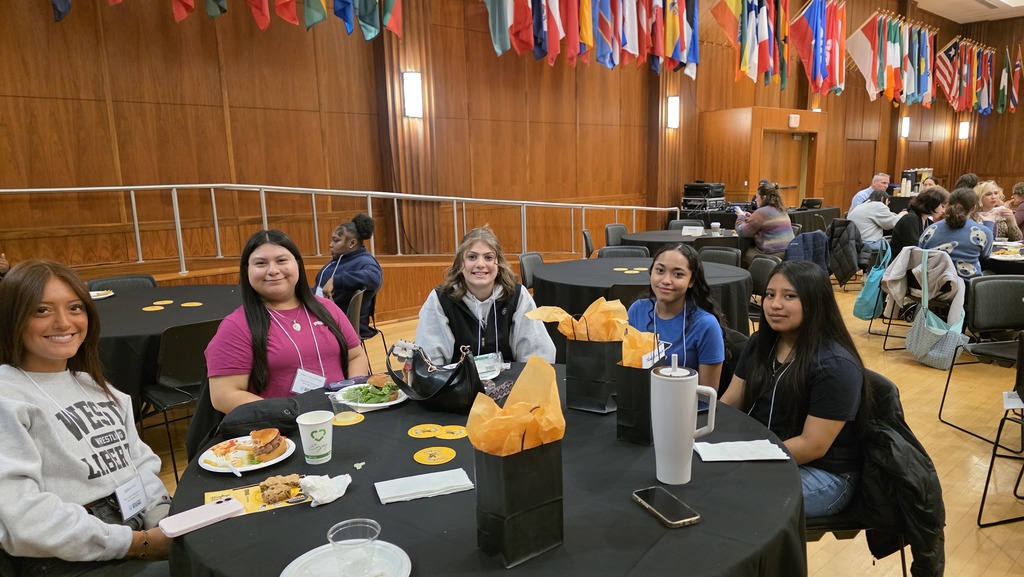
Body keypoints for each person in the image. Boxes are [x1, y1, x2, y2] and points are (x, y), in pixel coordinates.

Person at [0, 260, 172, 576]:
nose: (64, 322)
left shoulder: (94, 385)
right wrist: (140, 543)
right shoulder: (6, 395)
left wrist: (163, 519)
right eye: (42, 311)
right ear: (12, 318)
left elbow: (139, 463)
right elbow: (24, 518)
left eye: (75, 307)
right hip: (64, 558)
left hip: (133, 527)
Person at [721, 261, 869, 517]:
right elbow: (731, 402)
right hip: (766, 452)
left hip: (824, 473)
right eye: (770, 295)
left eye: (789, 296)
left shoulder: (835, 365)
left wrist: (745, 460)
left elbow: (813, 445)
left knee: (730, 501)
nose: (774, 304)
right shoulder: (761, 343)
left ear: (815, 302)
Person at [206, 230, 369, 414]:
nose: (273, 270)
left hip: (342, 417)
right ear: (247, 271)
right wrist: (291, 413)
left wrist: (351, 399)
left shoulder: (326, 308)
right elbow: (223, 395)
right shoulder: (236, 326)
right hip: (284, 430)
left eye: (282, 260)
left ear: (297, 264)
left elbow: (356, 356)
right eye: (261, 263)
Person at [415, 226, 555, 365]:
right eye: (472, 257)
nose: (480, 264)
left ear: (498, 264)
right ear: (460, 264)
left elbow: (539, 353)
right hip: (458, 383)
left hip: (510, 382)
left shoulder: (517, 296)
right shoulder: (440, 299)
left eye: (488, 257)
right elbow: (429, 361)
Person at [626, 243, 726, 391]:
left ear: (691, 281)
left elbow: (706, 397)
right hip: (639, 403)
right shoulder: (637, 310)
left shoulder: (706, 325)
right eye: (660, 270)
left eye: (678, 274)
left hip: (685, 409)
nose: (666, 280)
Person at [313, 214, 384, 335]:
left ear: (352, 243)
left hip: (343, 325)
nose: (330, 244)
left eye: (336, 240)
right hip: (323, 316)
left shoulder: (365, 261)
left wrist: (337, 280)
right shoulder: (338, 260)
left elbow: (374, 277)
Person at [920, 188, 995, 279]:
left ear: (947, 205)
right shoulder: (983, 231)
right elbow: (985, 254)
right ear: (973, 208)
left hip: (932, 285)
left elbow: (920, 251)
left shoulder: (930, 229)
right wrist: (989, 224)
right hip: (967, 285)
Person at [734, 181, 795, 267]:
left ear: (764, 197)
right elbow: (767, 223)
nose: (755, 200)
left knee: (739, 254)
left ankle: (750, 279)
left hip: (772, 254)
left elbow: (742, 231)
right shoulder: (781, 209)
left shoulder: (761, 212)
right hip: (789, 252)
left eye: (757, 197)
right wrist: (751, 217)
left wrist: (740, 216)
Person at [889, 186, 949, 258]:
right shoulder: (910, 220)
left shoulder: (927, 222)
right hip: (903, 265)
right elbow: (915, 250)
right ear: (932, 203)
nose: (944, 211)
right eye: (942, 206)